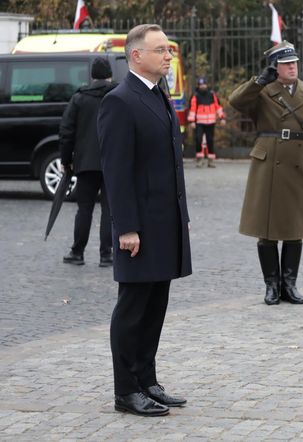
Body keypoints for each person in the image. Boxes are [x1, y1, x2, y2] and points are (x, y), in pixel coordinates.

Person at [98, 24, 192, 417]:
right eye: (160, 50)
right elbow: (116, 172)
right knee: (133, 308)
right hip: (140, 226)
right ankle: (126, 390)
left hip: (164, 221)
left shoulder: (159, 94)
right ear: (136, 56)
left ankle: (147, 380)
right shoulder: (120, 100)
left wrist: (180, 216)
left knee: (156, 305)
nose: (168, 56)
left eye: (168, 50)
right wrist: (127, 228)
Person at [229, 40, 303, 306]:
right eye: (286, 64)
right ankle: (271, 285)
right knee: (267, 229)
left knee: (294, 228)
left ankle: (290, 284)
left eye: (294, 63)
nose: (292, 68)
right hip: (268, 164)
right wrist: (258, 81)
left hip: (298, 165)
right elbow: (235, 101)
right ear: (275, 67)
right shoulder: (262, 92)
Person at [60, 57, 116, 267]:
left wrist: (66, 161)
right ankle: (107, 254)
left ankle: (78, 252)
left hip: (85, 163)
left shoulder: (79, 98)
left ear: (92, 76)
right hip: (112, 162)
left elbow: (66, 132)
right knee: (109, 209)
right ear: (110, 75)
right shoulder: (118, 95)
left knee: (84, 209)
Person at [188, 77, 226, 168]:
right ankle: (199, 159)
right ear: (198, 86)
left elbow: (218, 107)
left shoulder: (212, 95)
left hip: (211, 122)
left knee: (210, 140)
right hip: (199, 122)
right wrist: (192, 121)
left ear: (206, 85)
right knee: (198, 139)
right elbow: (192, 109)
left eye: (204, 84)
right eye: (201, 85)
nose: (203, 86)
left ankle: (210, 160)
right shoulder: (195, 96)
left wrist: (222, 118)